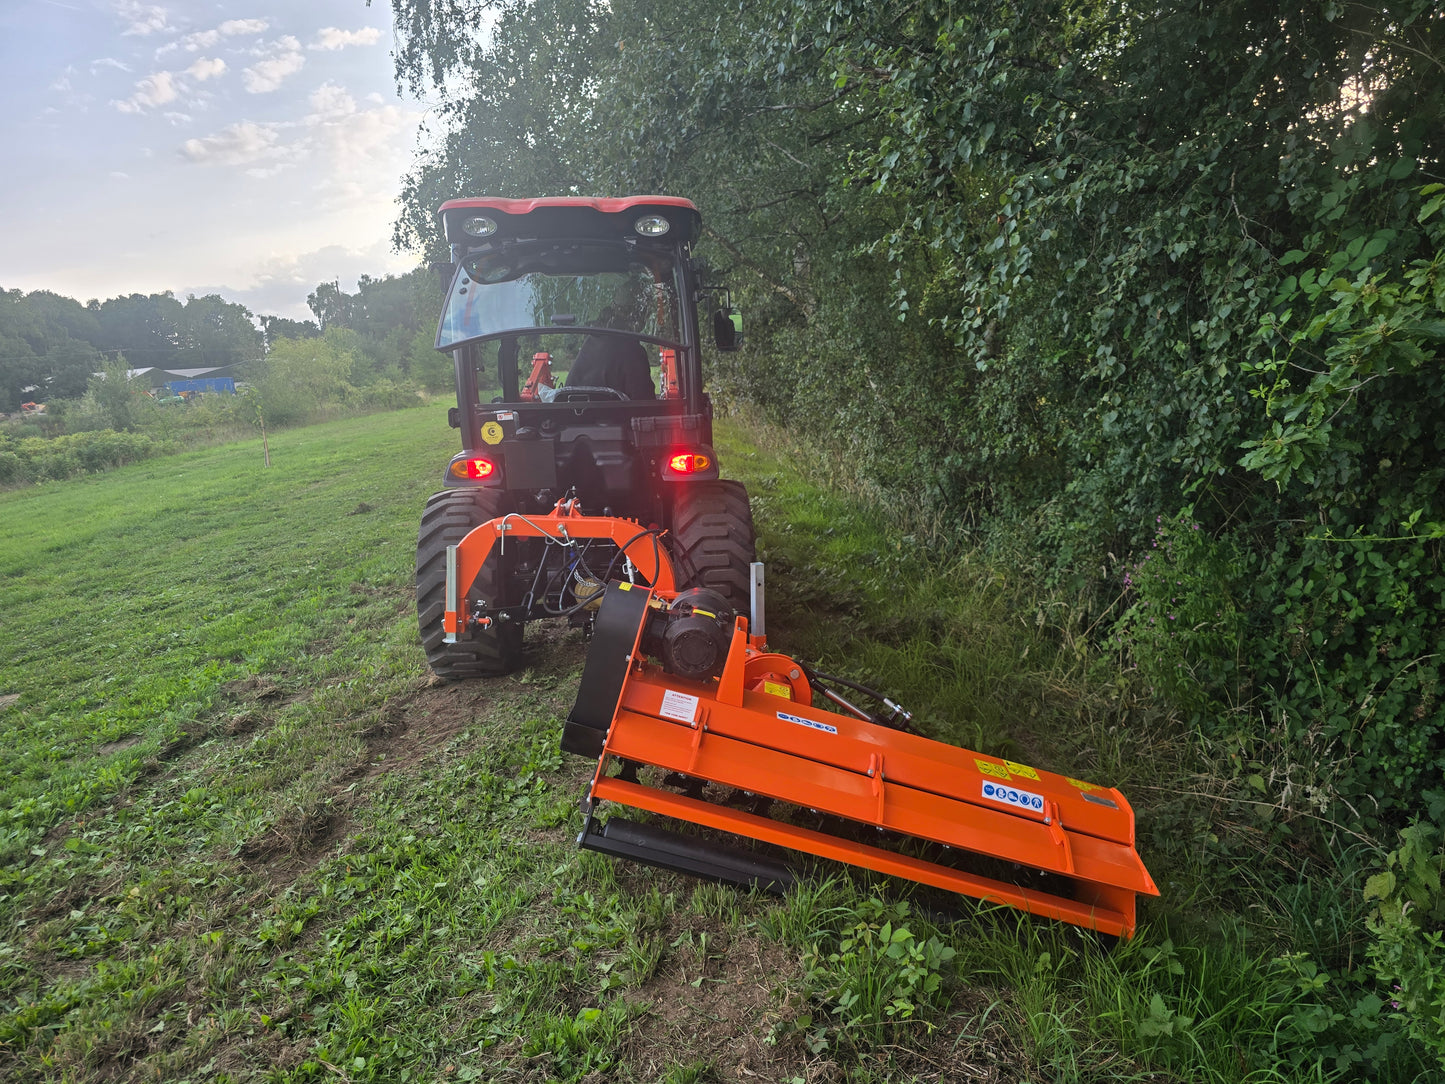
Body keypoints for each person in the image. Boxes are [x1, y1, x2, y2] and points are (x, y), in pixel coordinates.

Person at [566, 304, 655, 400]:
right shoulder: (632, 351)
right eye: (644, 315)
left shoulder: (590, 344)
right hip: (613, 414)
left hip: (574, 412)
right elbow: (645, 403)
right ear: (633, 320)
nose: (644, 321)